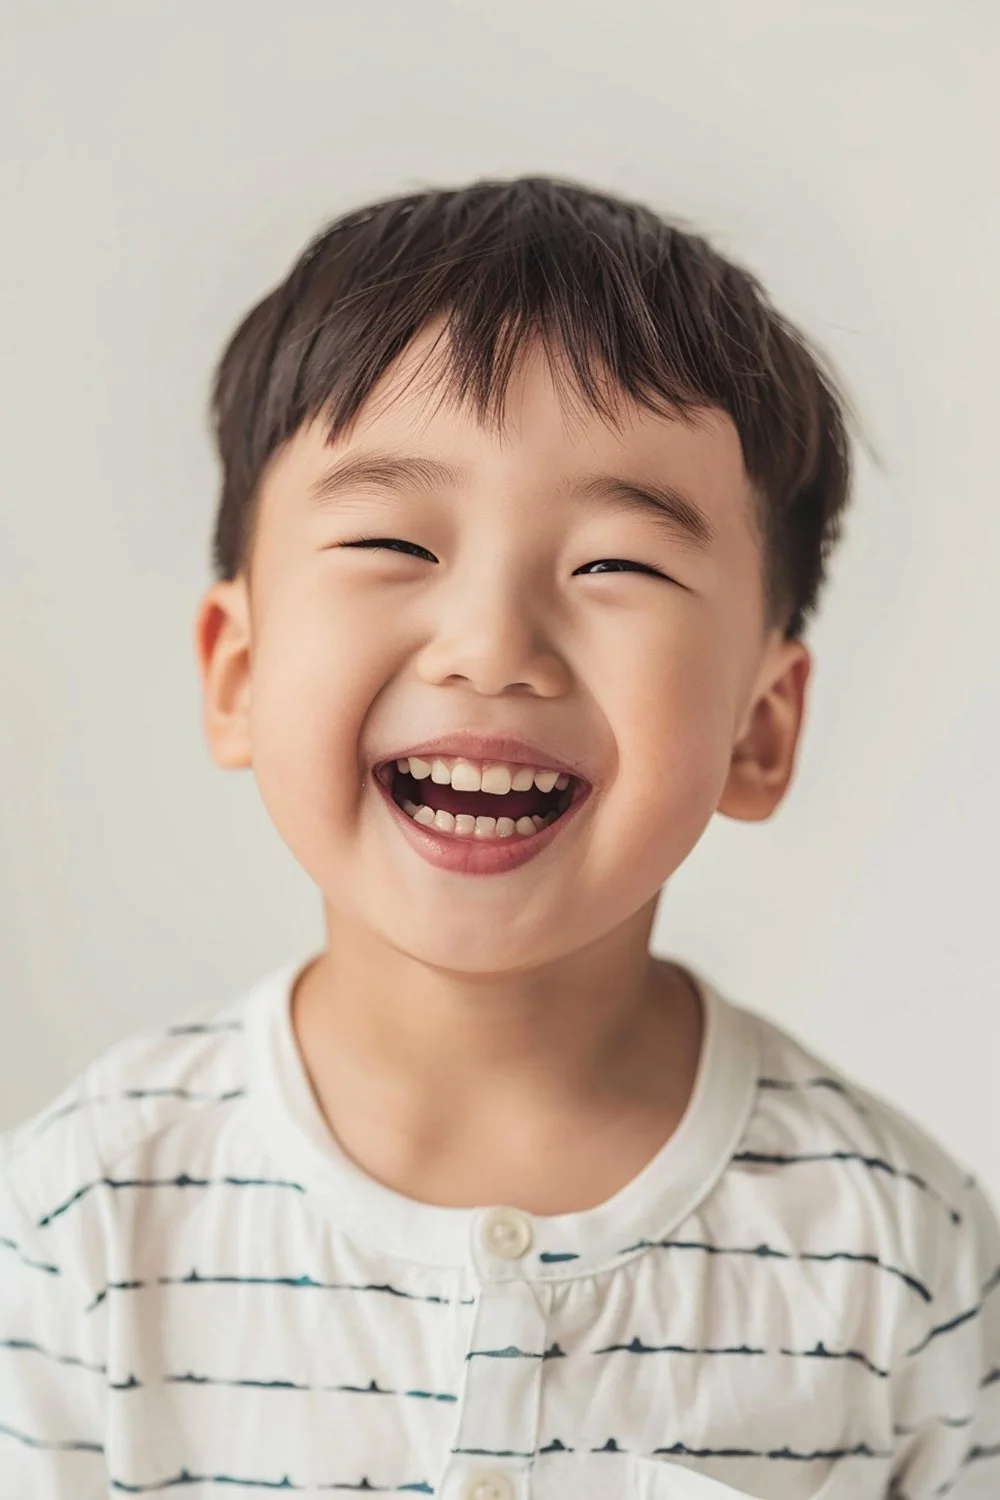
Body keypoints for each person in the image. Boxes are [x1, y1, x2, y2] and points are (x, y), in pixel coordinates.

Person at [1, 176, 996, 1500]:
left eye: (617, 565)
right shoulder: (82, 1218)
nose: (492, 648)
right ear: (238, 671)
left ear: (759, 726)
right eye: (395, 540)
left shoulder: (896, 1252)